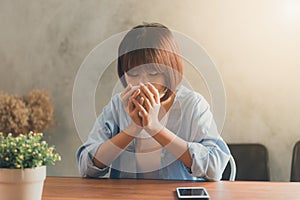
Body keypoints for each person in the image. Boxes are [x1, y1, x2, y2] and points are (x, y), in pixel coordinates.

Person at [76, 23, 230, 181]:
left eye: (153, 73)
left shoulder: (193, 105)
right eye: (133, 74)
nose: (142, 83)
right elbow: (86, 167)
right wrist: (133, 129)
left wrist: (155, 127)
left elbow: (215, 167)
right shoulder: (118, 106)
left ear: (170, 71)